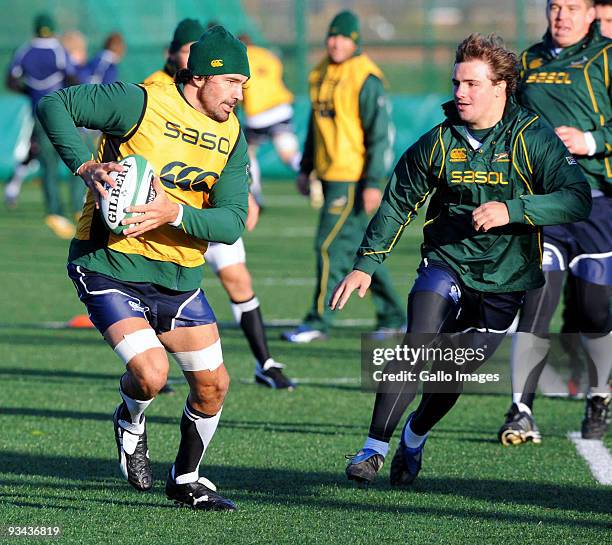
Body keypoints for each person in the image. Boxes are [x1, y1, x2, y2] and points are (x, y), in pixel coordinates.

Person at [332, 33, 591, 487]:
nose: (460, 93)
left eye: (471, 83)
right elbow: (397, 201)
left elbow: (576, 199)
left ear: (501, 87)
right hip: (446, 261)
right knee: (417, 344)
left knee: (446, 380)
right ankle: (372, 450)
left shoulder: (532, 137)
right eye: (456, 82)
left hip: (506, 280)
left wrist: (511, 210)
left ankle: (414, 436)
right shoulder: (440, 141)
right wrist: (365, 264)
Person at [37, 25, 252, 510]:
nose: (240, 95)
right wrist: (84, 166)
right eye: (233, 82)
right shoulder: (140, 102)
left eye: (245, 84)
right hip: (109, 263)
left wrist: (173, 212)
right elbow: (54, 104)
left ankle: (186, 478)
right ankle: (131, 420)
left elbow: (232, 220)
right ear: (200, 76)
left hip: (178, 276)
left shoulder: (232, 135)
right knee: (151, 373)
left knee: (214, 386)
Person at [144, 19, 295, 390]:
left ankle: (265, 362)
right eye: (187, 49)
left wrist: (247, 194)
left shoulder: (221, 92)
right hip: (162, 215)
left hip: (208, 211)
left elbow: (233, 149)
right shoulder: (152, 91)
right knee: (150, 288)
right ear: (173, 54)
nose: (197, 55)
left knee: (237, 278)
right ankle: (148, 366)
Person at [497, 0, 611, 446]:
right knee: (537, 299)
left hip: (597, 205)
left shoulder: (604, 58)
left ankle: (600, 391)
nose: (561, 15)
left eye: (573, 7)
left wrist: (591, 140)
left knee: (594, 310)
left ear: (591, 14)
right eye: (555, 6)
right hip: (544, 205)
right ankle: (521, 409)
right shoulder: (527, 62)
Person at [282, 10, 405, 344]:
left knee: (327, 246)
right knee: (359, 252)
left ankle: (318, 320)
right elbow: (315, 127)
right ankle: (395, 316)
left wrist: (373, 182)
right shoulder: (321, 71)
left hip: (353, 178)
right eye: (331, 36)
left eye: (343, 37)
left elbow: (379, 135)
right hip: (330, 174)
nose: (335, 42)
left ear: (355, 40)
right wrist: (306, 168)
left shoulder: (365, 76)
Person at [5, 13, 82, 238]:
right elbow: (72, 78)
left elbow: (10, 79)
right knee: (77, 158)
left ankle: (55, 212)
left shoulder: (25, 50)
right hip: (60, 113)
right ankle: (78, 208)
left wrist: (29, 92)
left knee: (47, 164)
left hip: (39, 113)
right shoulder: (57, 50)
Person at [237, 33, 314, 207]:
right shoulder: (268, 55)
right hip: (281, 109)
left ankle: (255, 193)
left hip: (257, 115)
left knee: (248, 153)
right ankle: (309, 173)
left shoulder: (240, 58)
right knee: (289, 154)